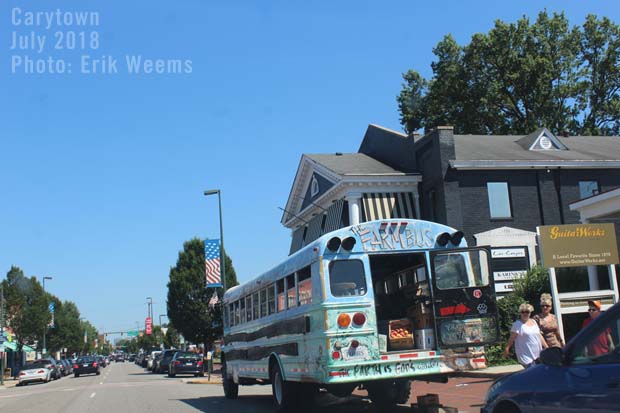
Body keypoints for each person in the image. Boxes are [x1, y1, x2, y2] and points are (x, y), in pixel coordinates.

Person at [504, 303, 547, 367]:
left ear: (530, 312)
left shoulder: (534, 322)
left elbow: (539, 335)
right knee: (531, 372)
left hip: (537, 354)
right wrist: (507, 348)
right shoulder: (517, 324)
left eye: (527, 312)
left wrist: (546, 347)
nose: (525, 314)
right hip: (525, 355)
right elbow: (511, 338)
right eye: (522, 312)